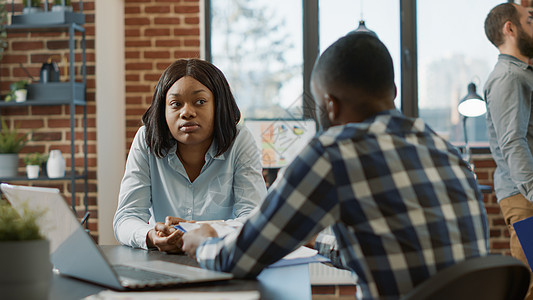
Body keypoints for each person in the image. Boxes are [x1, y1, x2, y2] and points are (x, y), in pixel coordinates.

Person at [181, 33, 489, 299]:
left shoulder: (333, 151)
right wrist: (319, 242)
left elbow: (241, 258)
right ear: (393, 92)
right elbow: (404, 248)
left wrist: (202, 242)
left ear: (330, 104)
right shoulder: (440, 146)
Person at [113, 59, 267, 252]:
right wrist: (151, 236)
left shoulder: (240, 140)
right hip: (162, 261)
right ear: (163, 110)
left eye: (200, 102)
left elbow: (255, 218)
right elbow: (126, 217)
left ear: (218, 106)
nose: (187, 112)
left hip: (223, 257)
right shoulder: (146, 139)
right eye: (175, 104)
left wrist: (202, 232)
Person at [484, 3, 533, 299]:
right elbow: (513, 142)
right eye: (530, 20)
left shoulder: (522, 73)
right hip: (525, 198)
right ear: (510, 28)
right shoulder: (508, 78)